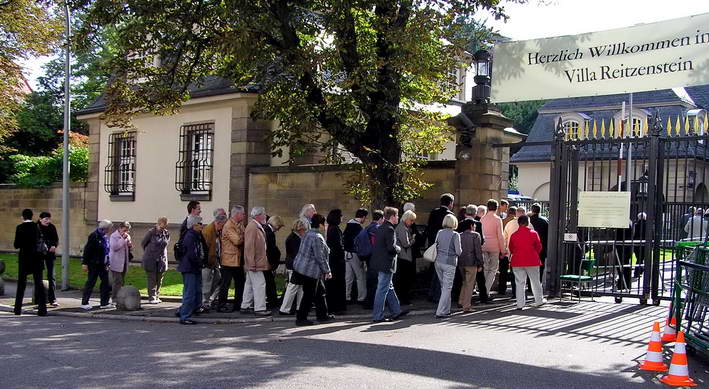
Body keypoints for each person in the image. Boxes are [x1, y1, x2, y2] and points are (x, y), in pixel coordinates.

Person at [291, 214, 334, 326]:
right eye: (324, 224)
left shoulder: (308, 233)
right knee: (309, 294)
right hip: (310, 271)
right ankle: (301, 318)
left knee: (320, 292)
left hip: (303, 268)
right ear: (320, 225)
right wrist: (327, 271)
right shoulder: (317, 237)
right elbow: (319, 257)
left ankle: (323, 315)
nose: (325, 226)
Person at [371, 207, 407, 322]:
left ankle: (396, 310)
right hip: (386, 263)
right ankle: (378, 316)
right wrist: (398, 248)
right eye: (397, 216)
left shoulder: (381, 227)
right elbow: (391, 248)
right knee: (382, 290)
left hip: (379, 262)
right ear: (392, 217)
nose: (398, 217)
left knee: (389, 287)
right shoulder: (390, 229)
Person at [13, 209, 47, 316]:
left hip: (24, 258)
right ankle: (42, 310)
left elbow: (16, 244)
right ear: (32, 216)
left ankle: (17, 309)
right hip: (37, 258)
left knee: (21, 284)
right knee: (39, 283)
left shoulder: (20, 228)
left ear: (22, 217)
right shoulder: (36, 227)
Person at [509, 216, 545, 310]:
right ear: (528, 223)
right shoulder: (533, 233)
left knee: (520, 283)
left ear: (519, 223)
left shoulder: (514, 235)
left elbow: (511, 248)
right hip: (532, 260)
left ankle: (520, 304)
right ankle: (539, 300)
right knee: (535, 281)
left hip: (517, 260)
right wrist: (534, 253)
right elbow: (539, 246)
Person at [241, 206, 271, 316]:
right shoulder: (253, 227)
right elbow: (249, 247)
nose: (265, 216)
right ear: (258, 216)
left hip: (255, 261)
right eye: (263, 214)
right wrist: (251, 263)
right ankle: (260, 308)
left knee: (249, 284)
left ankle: (245, 306)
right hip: (255, 262)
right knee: (260, 284)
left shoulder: (255, 226)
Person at [426, 193, 455, 302]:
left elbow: (429, 229)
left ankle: (431, 293)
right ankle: (437, 296)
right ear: (450, 203)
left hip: (433, 246)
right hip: (444, 248)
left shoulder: (433, 213)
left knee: (434, 270)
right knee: (441, 273)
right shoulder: (450, 215)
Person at [177, 215, 205, 325]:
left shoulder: (195, 235)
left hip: (193, 267)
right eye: (200, 224)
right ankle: (184, 316)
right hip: (190, 268)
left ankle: (188, 311)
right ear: (194, 225)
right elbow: (192, 254)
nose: (202, 226)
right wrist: (200, 262)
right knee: (190, 293)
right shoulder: (190, 236)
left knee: (196, 290)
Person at [217, 206, 246, 312]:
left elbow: (242, 235)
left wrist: (242, 234)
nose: (244, 215)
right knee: (225, 283)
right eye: (242, 213)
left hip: (237, 259)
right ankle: (221, 305)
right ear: (237, 214)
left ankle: (238, 304)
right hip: (228, 260)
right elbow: (237, 241)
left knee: (240, 282)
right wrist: (243, 235)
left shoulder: (239, 224)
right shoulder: (229, 225)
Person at [433, 214, 462, 318]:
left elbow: (436, 245)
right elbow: (458, 252)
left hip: (438, 261)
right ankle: (440, 311)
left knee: (443, 287)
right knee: (447, 288)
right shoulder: (455, 235)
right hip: (449, 262)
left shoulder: (439, 232)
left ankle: (446, 310)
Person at [81, 220, 113, 310]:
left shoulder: (105, 236)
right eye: (109, 228)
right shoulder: (94, 236)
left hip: (103, 264)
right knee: (91, 282)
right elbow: (87, 250)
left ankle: (104, 302)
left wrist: (108, 262)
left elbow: (106, 250)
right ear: (105, 228)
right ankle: (84, 302)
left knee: (106, 283)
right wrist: (85, 263)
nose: (110, 230)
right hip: (94, 263)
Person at [278, 219, 308, 315]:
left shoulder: (293, 237)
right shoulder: (294, 239)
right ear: (300, 229)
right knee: (293, 286)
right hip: (295, 265)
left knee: (299, 287)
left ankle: (299, 306)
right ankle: (285, 308)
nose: (305, 232)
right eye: (304, 230)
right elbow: (297, 253)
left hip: (294, 264)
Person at [200, 209, 227, 311]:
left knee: (217, 279)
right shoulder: (208, 231)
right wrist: (208, 262)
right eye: (223, 225)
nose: (224, 228)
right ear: (218, 223)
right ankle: (204, 303)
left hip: (214, 261)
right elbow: (205, 249)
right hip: (207, 262)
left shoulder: (216, 231)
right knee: (206, 283)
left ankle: (207, 301)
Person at [141, 217, 170, 304]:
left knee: (159, 279)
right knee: (152, 279)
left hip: (161, 259)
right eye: (161, 227)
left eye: (164, 227)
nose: (163, 229)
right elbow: (143, 243)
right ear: (158, 224)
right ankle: (152, 297)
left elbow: (165, 244)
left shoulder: (166, 233)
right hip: (151, 259)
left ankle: (157, 295)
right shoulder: (151, 232)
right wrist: (150, 252)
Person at [480, 199, 506, 298]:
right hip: (494, 246)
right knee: (493, 269)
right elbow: (500, 235)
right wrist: (503, 250)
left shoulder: (482, 218)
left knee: (485, 268)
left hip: (484, 245)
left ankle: (483, 290)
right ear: (496, 208)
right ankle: (486, 291)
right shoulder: (497, 219)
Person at [457, 218, 483, 312]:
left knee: (464, 282)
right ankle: (466, 305)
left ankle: (461, 300)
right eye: (474, 225)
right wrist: (480, 263)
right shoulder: (475, 235)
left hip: (461, 261)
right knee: (470, 284)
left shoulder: (459, 235)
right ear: (471, 226)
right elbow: (478, 251)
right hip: (471, 262)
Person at [343, 208, 368, 304]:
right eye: (365, 218)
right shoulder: (358, 229)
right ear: (363, 217)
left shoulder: (348, 225)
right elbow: (359, 244)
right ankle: (361, 298)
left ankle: (346, 297)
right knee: (360, 276)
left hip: (346, 253)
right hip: (354, 254)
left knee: (348, 277)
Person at [326, 209, 347, 313]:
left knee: (334, 284)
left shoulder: (331, 228)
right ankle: (337, 307)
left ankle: (335, 306)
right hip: (337, 261)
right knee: (337, 284)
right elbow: (338, 246)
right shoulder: (334, 229)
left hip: (334, 260)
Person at [394, 210, 417, 305]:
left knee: (402, 280)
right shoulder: (402, 228)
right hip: (404, 257)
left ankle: (403, 299)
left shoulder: (401, 227)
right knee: (404, 281)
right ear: (406, 219)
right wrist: (413, 239)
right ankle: (404, 300)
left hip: (402, 256)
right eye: (411, 220)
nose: (412, 223)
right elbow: (406, 244)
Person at [363, 210, 385, 309]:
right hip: (375, 257)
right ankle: (371, 303)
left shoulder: (367, 227)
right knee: (375, 281)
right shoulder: (377, 228)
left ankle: (369, 301)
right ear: (380, 218)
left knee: (371, 280)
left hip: (368, 257)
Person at [37, 212, 59, 307]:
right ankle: (39, 299)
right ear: (40, 219)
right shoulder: (36, 227)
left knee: (51, 276)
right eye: (46, 219)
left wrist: (54, 245)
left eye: (49, 219)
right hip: (39, 254)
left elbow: (56, 239)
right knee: (38, 276)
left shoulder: (52, 227)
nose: (48, 221)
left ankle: (52, 299)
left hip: (50, 254)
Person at [109, 221, 133, 305]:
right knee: (117, 281)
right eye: (124, 230)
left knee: (122, 281)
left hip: (124, 262)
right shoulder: (113, 236)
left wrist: (130, 245)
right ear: (120, 228)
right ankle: (114, 298)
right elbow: (115, 247)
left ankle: (120, 297)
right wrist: (123, 239)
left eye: (127, 230)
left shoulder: (127, 236)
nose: (126, 232)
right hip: (115, 262)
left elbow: (128, 248)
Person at [263, 215, 284, 309]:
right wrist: (272, 264)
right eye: (279, 227)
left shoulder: (265, 229)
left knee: (268, 282)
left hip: (264, 260)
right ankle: (273, 302)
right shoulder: (270, 233)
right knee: (270, 283)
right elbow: (271, 250)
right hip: (267, 262)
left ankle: (272, 300)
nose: (278, 229)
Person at [497, 206, 516, 296]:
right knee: (514, 271)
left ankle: (502, 289)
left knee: (503, 270)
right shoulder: (516, 222)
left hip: (504, 248)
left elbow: (502, 236)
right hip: (513, 250)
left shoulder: (502, 221)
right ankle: (514, 290)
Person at [529, 203, 549, 283]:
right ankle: (538, 281)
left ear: (532, 210)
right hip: (542, 246)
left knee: (529, 265)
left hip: (530, 246)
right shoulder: (544, 221)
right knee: (540, 265)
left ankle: (529, 284)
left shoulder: (528, 220)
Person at [633, 212, 647, 278]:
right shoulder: (648, 225)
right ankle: (638, 271)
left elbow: (633, 234)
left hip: (637, 244)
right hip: (645, 244)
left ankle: (639, 270)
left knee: (639, 258)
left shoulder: (635, 225)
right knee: (641, 258)